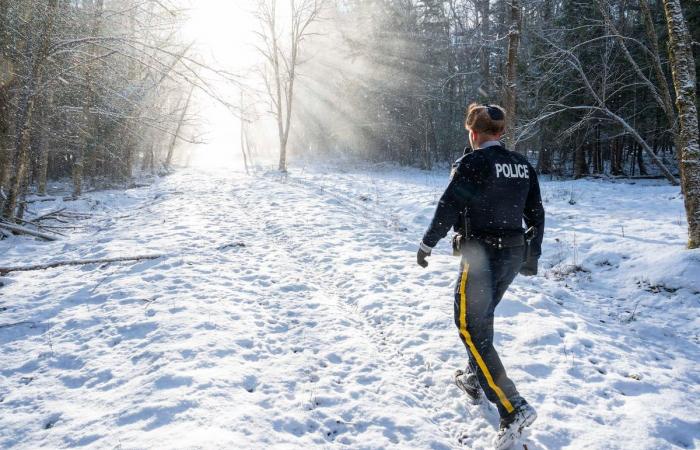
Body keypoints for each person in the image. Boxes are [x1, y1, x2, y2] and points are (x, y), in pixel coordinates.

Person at [416, 103, 545, 450]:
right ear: (501, 133)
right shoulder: (521, 164)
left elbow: (448, 207)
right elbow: (536, 214)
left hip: (482, 252)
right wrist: (532, 256)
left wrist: (428, 243)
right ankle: (475, 377)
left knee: (469, 324)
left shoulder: (473, 163)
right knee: (481, 318)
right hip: (513, 253)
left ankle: (512, 407)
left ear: (473, 133)